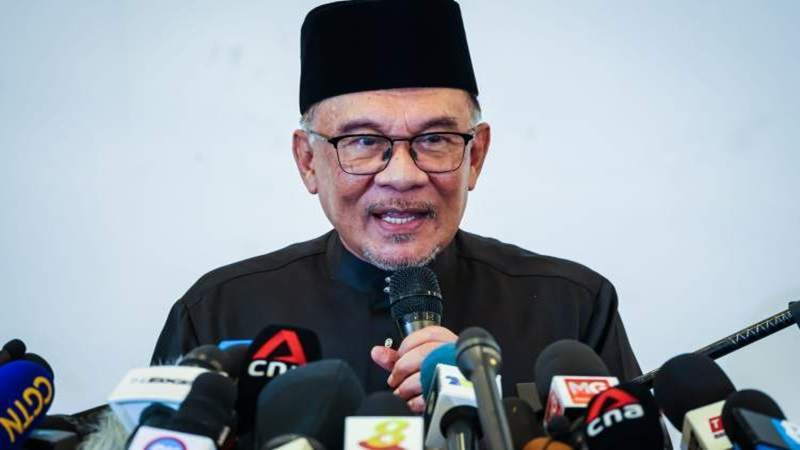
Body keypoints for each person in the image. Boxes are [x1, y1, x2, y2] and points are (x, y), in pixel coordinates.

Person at [151, 0, 641, 414]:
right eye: (364, 141)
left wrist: (491, 420)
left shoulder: (572, 307)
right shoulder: (218, 314)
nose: (402, 175)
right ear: (307, 161)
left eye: (435, 138)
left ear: (476, 156)